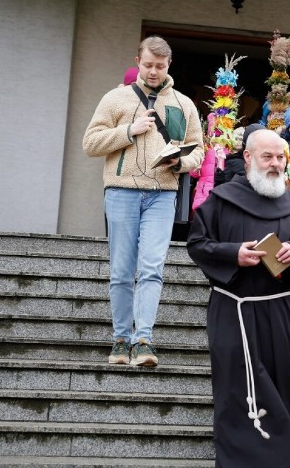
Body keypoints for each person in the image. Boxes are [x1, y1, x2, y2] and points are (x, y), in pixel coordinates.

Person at [186, 128, 290, 468]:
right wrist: (234, 253)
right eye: (268, 156)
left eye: (280, 157)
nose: (276, 163)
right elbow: (198, 245)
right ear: (248, 158)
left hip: (282, 313)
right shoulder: (221, 199)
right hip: (235, 309)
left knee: (280, 389)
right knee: (237, 391)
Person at [83, 35, 204, 367]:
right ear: (138, 61)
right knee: (122, 270)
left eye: (160, 66)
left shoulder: (183, 103)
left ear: (169, 65)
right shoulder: (115, 98)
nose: (154, 71)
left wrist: (180, 162)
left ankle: (143, 340)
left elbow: (198, 149)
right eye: (149, 65)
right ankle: (121, 339)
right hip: (121, 191)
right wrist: (128, 130)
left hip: (162, 195)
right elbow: (90, 143)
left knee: (152, 268)